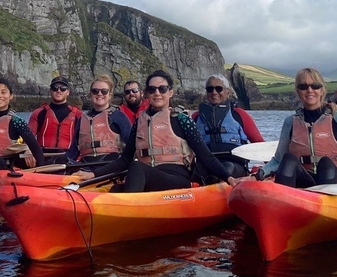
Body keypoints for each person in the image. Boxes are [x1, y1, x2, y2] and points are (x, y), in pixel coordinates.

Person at [79, 70, 239, 192]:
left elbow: (206, 156)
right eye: (152, 89)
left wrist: (229, 178)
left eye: (162, 89)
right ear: (147, 94)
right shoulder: (141, 121)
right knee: (115, 189)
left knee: (137, 168)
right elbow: (124, 160)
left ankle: (129, 219)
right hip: (148, 178)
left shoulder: (182, 119)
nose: (157, 93)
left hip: (176, 180)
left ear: (170, 92)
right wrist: (94, 175)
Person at [260, 68, 337, 188]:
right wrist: (258, 174)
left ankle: (328, 203)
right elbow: (278, 160)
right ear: (298, 91)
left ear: (322, 90)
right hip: (305, 182)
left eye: (315, 86)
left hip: (335, 184)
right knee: (288, 160)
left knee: (325, 164)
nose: (309, 90)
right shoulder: (290, 122)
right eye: (303, 86)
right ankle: (284, 201)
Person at [191, 73, 265, 178]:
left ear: (228, 92)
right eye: (210, 89)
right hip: (205, 165)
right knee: (196, 172)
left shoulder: (239, 115)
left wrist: (271, 168)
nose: (214, 92)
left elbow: (259, 143)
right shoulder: (196, 117)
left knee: (227, 167)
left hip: (233, 165)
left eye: (219, 89)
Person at [65, 75, 130, 164]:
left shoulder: (119, 116)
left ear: (110, 95)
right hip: (86, 166)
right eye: (95, 91)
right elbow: (73, 152)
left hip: (111, 166)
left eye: (104, 91)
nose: (99, 94)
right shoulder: (82, 119)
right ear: (90, 94)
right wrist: (57, 162)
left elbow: (131, 146)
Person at [29, 76, 83, 160]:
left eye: (63, 88)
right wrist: (28, 151)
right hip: (43, 158)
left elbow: (85, 141)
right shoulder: (38, 113)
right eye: (55, 88)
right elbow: (28, 138)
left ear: (68, 92)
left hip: (68, 158)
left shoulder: (78, 115)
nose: (58, 91)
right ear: (50, 91)